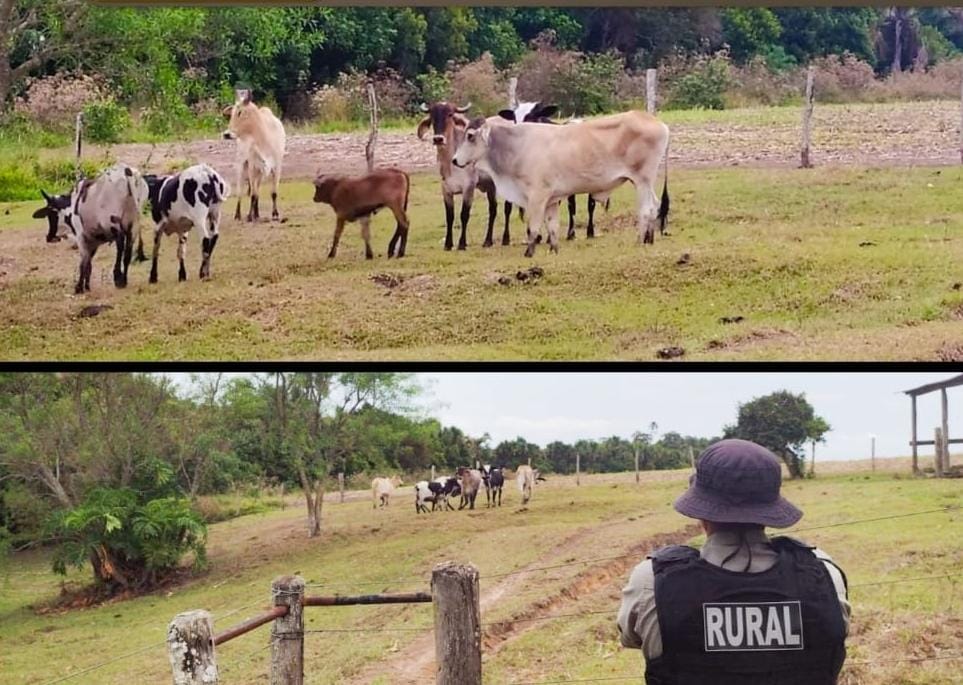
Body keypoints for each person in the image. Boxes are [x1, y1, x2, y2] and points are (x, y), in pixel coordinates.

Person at [617, 438, 850, 684]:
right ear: (769, 510)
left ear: (702, 514)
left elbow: (630, 638)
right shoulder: (824, 574)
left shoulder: (653, 580)